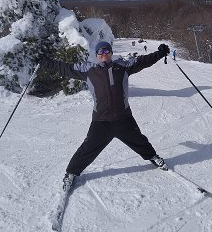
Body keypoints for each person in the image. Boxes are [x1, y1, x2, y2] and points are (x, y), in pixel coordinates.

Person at [39, 41, 170, 191]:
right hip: (101, 121)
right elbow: (65, 68)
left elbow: (143, 61)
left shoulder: (123, 66)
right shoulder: (88, 69)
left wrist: (160, 53)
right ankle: (71, 173)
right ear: (96, 55)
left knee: (139, 140)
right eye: (100, 52)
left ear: (111, 53)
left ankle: (153, 157)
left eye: (106, 51)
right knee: (87, 148)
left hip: (123, 118)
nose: (103, 54)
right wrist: (45, 62)